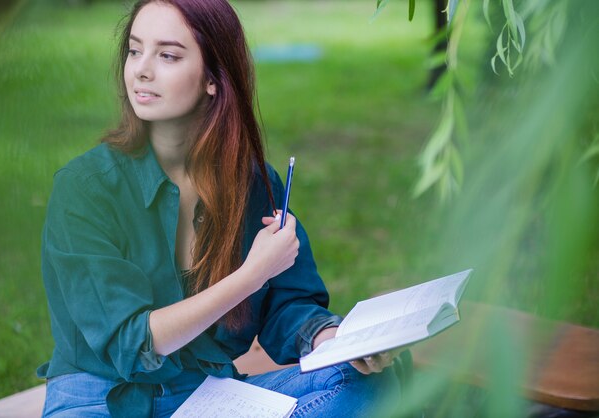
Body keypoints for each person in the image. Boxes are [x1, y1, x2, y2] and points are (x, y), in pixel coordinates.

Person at [38, 0, 402, 416]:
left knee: (361, 381)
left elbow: (287, 305)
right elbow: (134, 342)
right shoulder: (85, 188)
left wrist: (335, 341)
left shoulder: (252, 183)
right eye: (135, 50)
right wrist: (252, 274)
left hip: (206, 396)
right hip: (101, 398)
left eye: (168, 55)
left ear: (213, 78)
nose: (141, 69)